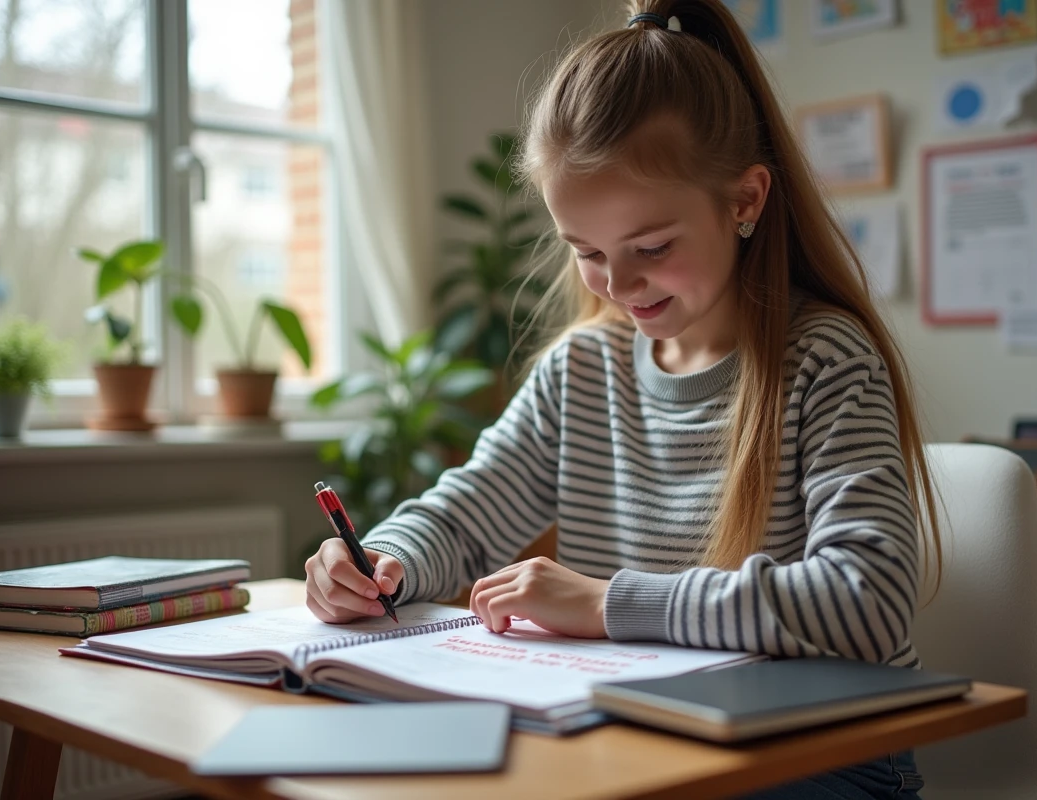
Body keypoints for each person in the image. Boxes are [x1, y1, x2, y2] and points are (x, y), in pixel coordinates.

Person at [305, 1, 942, 796]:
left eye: (652, 247)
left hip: (824, 757)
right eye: (587, 251)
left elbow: (867, 601)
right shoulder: (584, 369)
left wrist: (610, 604)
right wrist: (384, 563)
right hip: (645, 738)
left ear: (744, 201)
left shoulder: (826, 362)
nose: (618, 284)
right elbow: (465, 516)